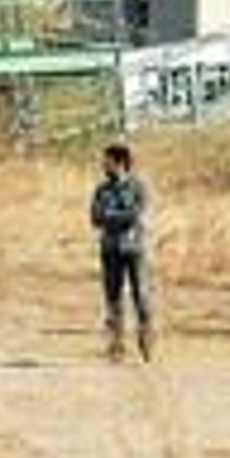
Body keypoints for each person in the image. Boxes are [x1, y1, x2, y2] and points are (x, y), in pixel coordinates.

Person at [91, 142, 155, 363]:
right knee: (113, 299)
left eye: (107, 161)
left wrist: (111, 217)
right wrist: (118, 217)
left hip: (134, 248)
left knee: (141, 296)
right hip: (109, 249)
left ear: (120, 162)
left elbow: (136, 215)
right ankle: (116, 344)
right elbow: (95, 217)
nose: (103, 165)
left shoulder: (138, 186)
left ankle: (146, 336)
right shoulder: (101, 189)